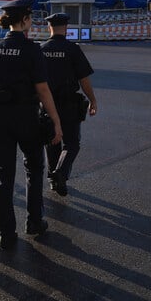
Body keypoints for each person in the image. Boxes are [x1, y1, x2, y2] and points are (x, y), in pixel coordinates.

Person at [0, 0, 62, 250]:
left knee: (4, 176)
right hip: (26, 118)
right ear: (25, 20)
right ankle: (34, 222)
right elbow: (43, 90)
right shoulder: (32, 50)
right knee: (34, 169)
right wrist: (56, 122)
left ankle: (6, 233)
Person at [40, 13, 98, 196]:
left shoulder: (41, 49)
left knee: (52, 141)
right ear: (66, 29)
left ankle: (53, 179)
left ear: (49, 28)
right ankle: (61, 173)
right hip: (69, 104)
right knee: (72, 143)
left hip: (47, 103)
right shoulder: (73, 49)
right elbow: (84, 79)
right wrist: (93, 100)